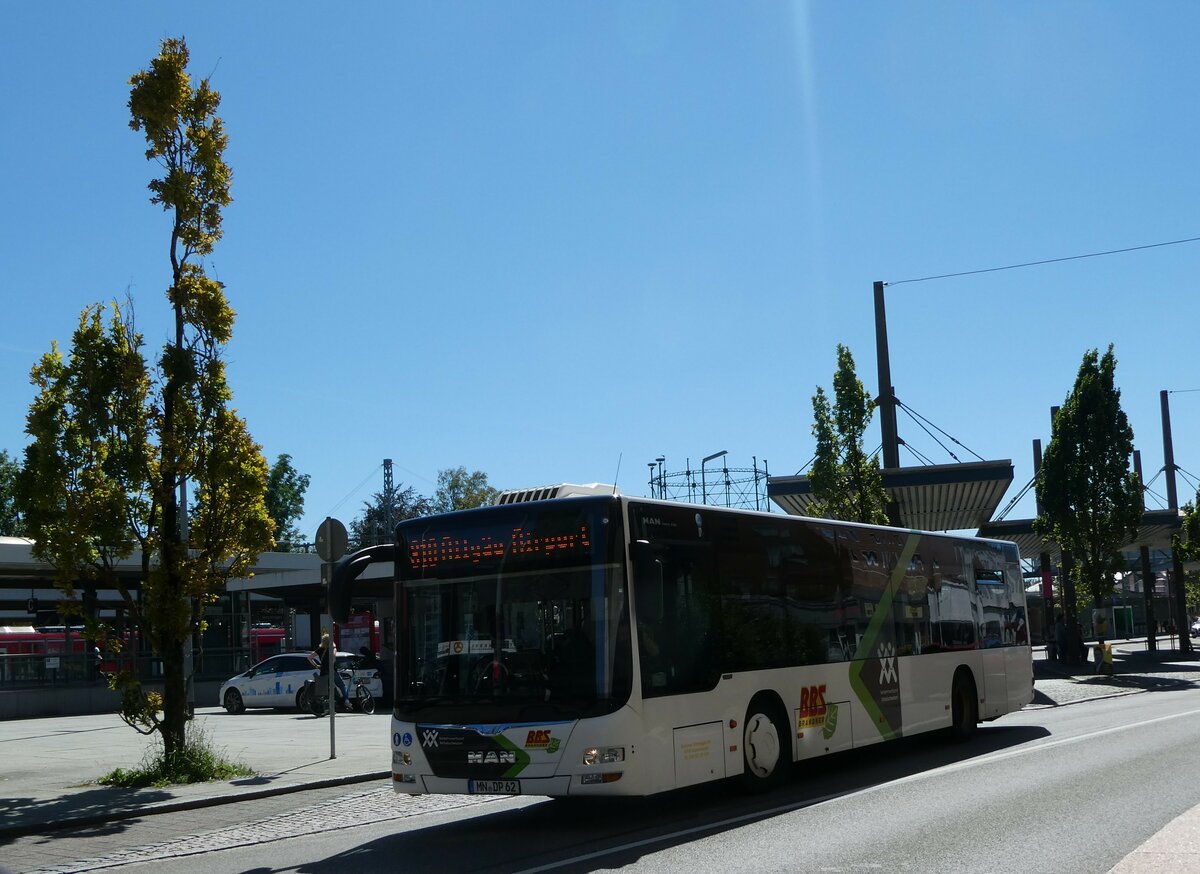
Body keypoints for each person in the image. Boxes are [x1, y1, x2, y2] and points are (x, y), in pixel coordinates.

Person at [308, 632, 348, 709]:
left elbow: (309, 657)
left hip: (323, 671)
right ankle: (346, 701)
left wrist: (316, 665)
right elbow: (333, 658)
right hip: (332, 671)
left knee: (326, 688)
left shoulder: (320, 649)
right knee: (342, 686)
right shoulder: (333, 649)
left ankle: (327, 705)